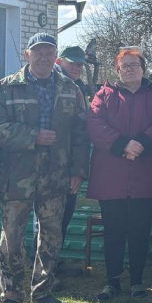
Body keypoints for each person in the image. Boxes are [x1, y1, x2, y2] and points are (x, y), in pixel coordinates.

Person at [0, 33, 89, 303]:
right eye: (38, 52)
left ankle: (43, 290)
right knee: (12, 237)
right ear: (27, 55)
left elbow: (81, 133)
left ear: (55, 57)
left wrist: (78, 171)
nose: (43, 57)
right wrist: (32, 137)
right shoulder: (5, 88)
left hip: (57, 173)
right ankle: (12, 297)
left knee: (52, 234)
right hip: (17, 175)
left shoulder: (70, 89)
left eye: (48, 52)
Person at [87, 47, 152, 300]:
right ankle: (112, 281)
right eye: (125, 66)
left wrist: (141, 143)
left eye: (135, 65)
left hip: (145, 174)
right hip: (111, 176)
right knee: (113, 230)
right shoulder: (103, 95)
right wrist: (123, 144)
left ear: (143, 69)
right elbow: (94, 124)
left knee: (140, 230)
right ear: (117, 70)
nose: (130, 69)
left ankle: (137, 281)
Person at [28, 44, 95, 281]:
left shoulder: (75, 88)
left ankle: (53, 262)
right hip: (37, 167)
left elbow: (81, 133)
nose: (76, 67)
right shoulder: (41, 84)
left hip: (66, 167)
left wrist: (78, 170)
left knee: (63, 216)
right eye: (72, 63)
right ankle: (41, 269)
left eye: (80, 64)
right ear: (60, 61)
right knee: (44, 221)